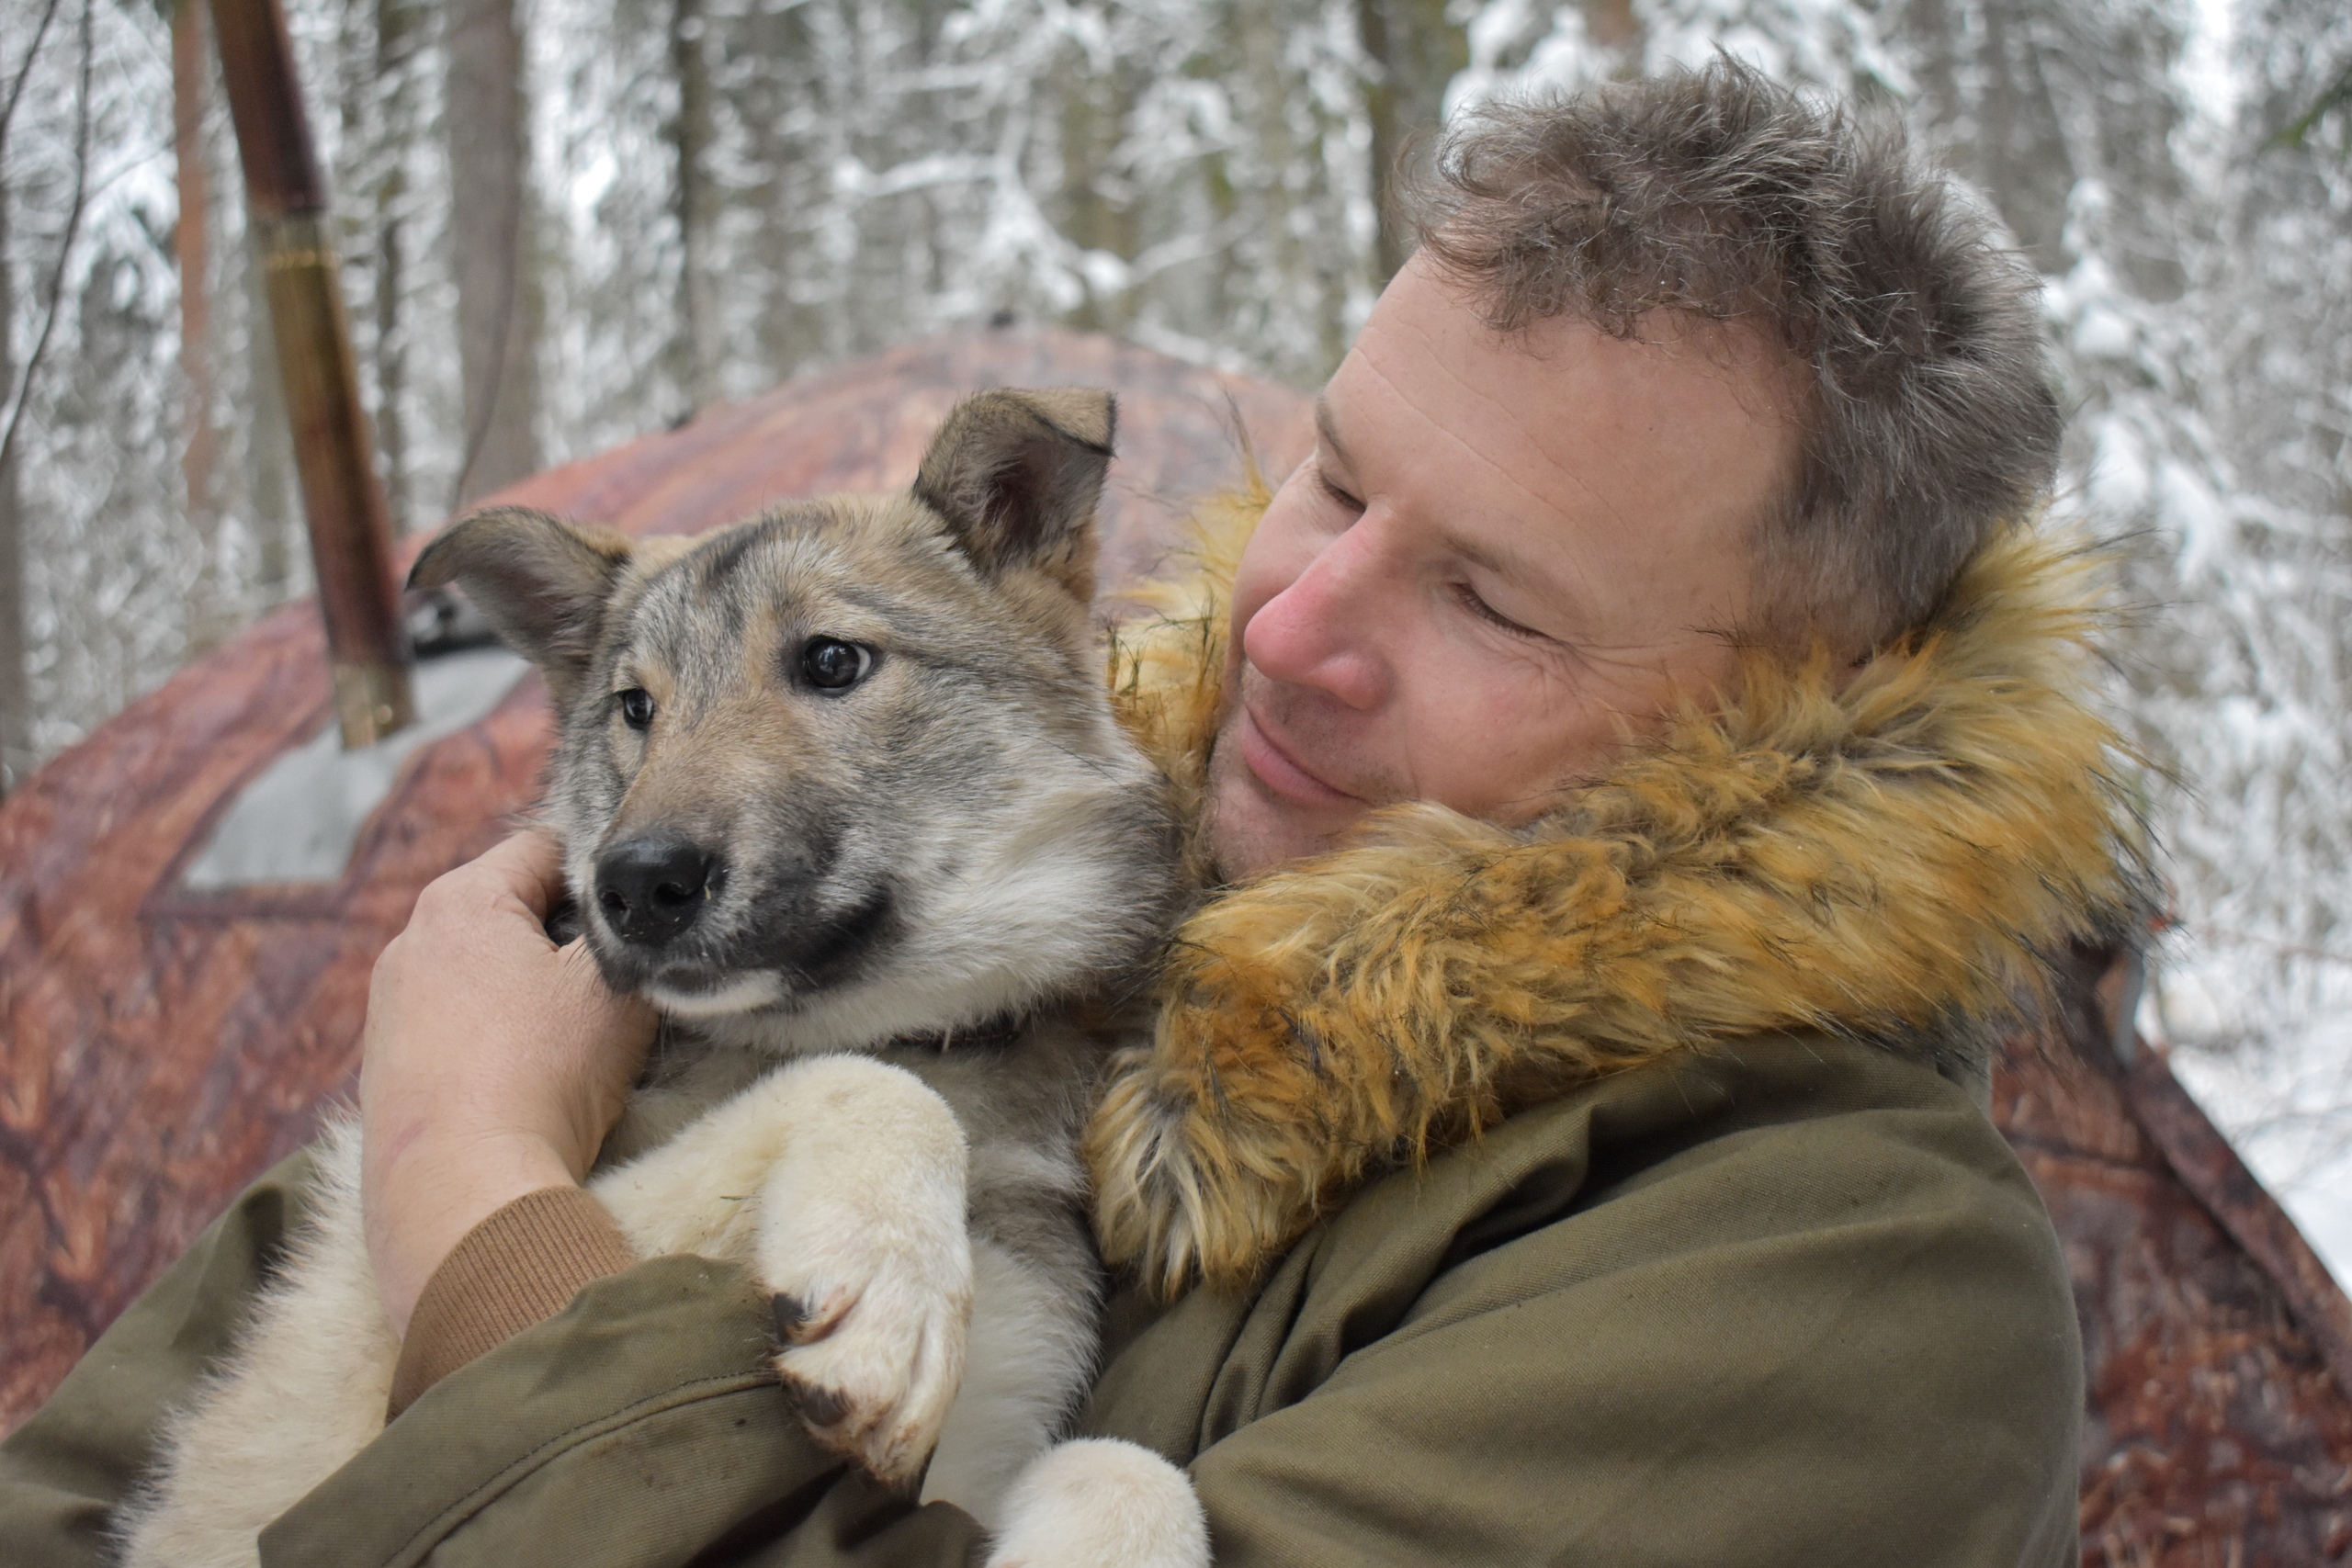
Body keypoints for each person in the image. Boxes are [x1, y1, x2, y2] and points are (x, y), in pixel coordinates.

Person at [2, 61, 2140, 1566]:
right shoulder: (1027, 909)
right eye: (1333, 473)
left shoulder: (1843, 1294)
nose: (1290, 618)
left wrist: (481, 1184)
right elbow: (107, 1460)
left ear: (1796, 720)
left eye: (1485, 595)